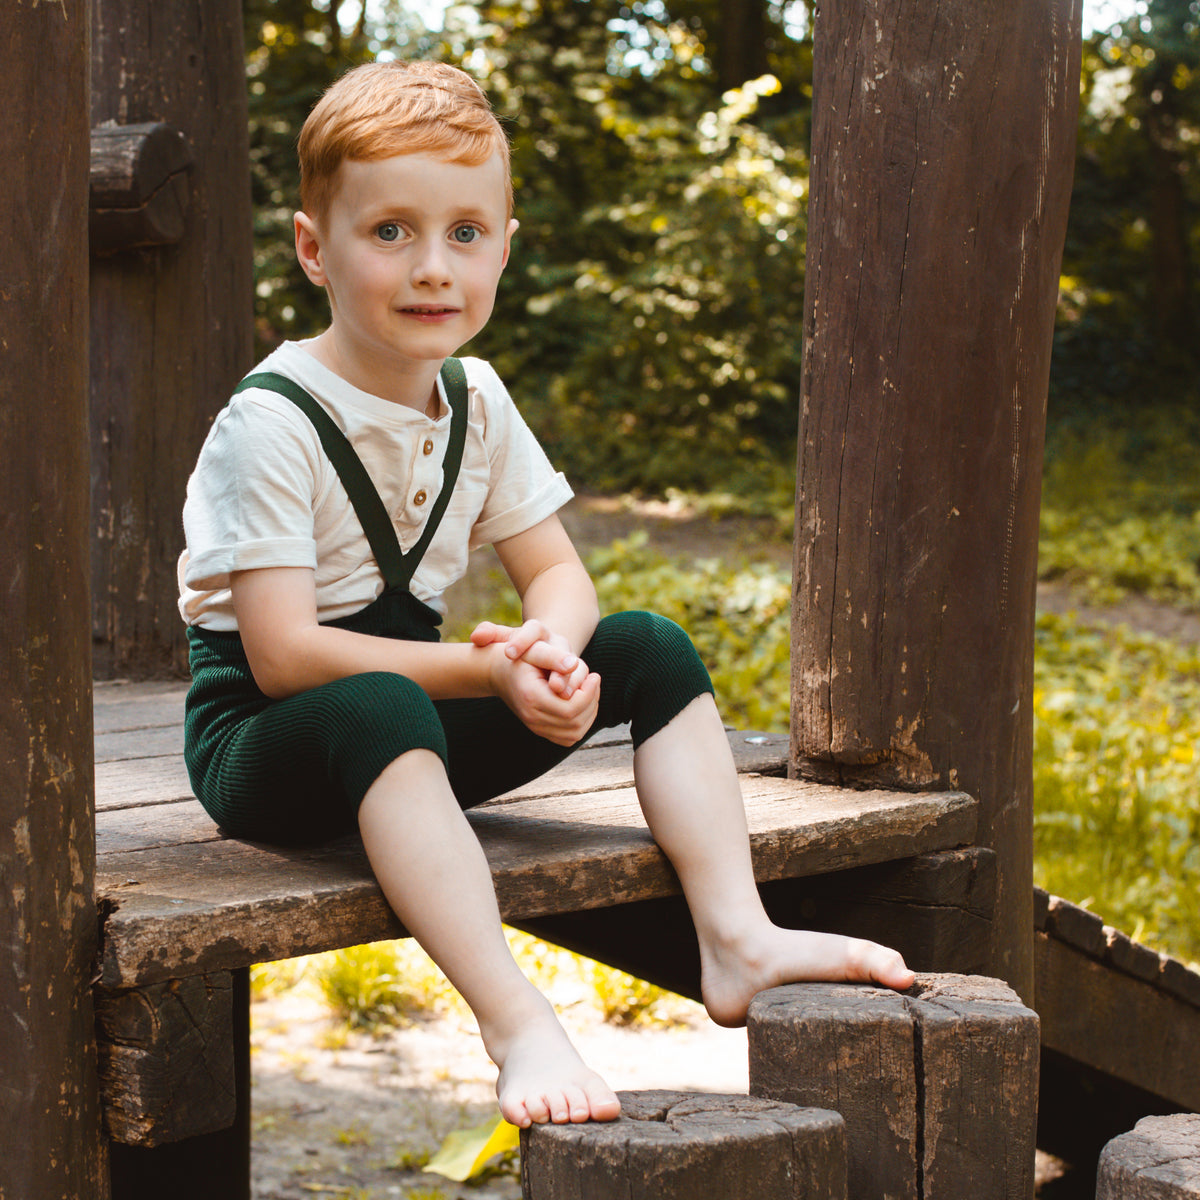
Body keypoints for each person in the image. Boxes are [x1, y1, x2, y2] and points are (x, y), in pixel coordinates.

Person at [178, 59, 915, 1131]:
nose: (433, 267)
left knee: (647, 643)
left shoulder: (476, 399)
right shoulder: (273, 421)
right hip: (263, 742)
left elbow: (559, 575)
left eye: (465, 233)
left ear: (505, 249)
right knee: (378, 706)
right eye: (390, 232)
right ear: (313, 248)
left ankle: (737, 936)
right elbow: (284, 655)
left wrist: (550, 656)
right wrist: (488, 670)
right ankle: (517, 1022)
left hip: (409, 723)